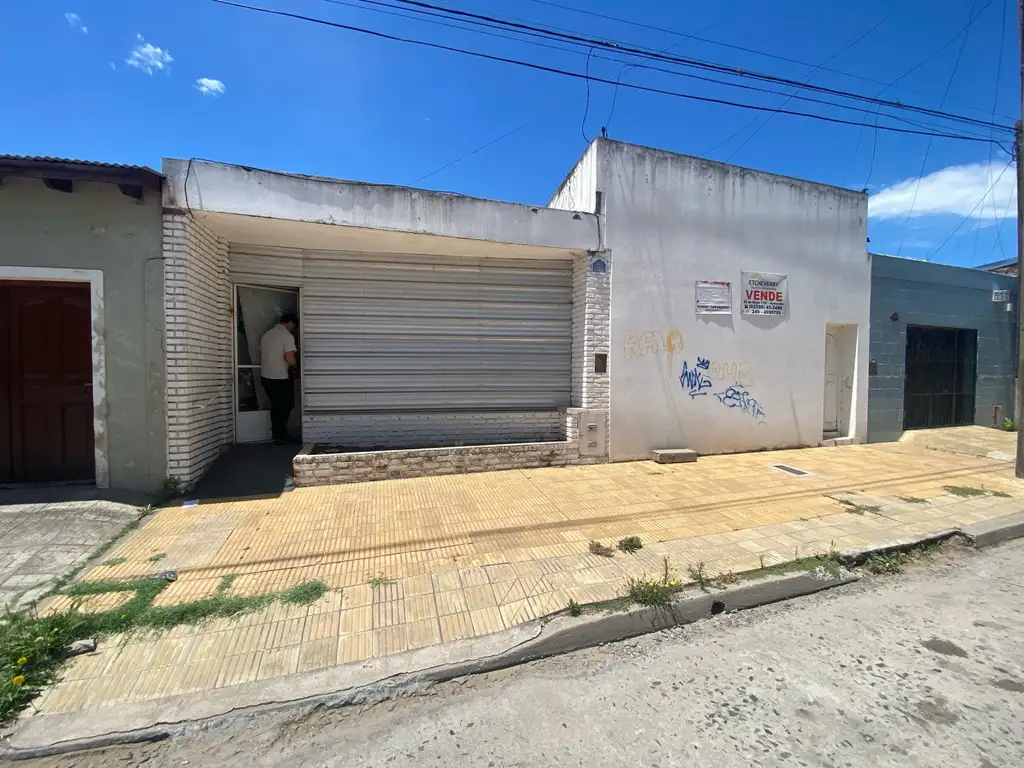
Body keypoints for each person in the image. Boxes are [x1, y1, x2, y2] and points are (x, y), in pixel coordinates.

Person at [260, 312, 298, 446]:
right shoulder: (286, 336)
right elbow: (289, 358)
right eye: (293, 326)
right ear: (290, 323)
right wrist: (296, 367)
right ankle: (281, 436)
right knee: (285, 406)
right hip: (280, 377)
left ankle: (277, 435)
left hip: (266, 376)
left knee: (276, 407)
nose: (293, 329)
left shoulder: (267, 335)